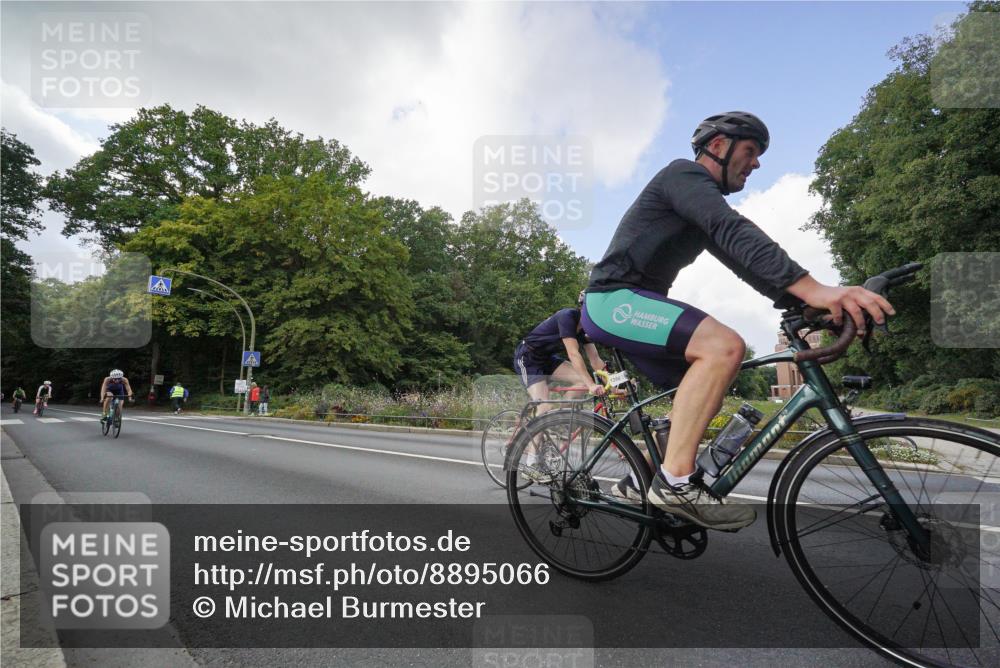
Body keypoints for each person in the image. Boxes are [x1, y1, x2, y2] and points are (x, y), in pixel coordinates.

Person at [582, 111, 893, 530]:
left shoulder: (701, 207)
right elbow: (731, 228)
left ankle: (640, 482)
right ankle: (674, 483)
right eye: (751, 151)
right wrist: (815, 288)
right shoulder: (683, 177)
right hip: (612, 301)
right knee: (724, 346)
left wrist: (804, 306)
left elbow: (746, 264)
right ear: (717, 146)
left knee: (701, 387)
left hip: (638, 305)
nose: (757, 163)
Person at [514, 294, 609, 479]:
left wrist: (611, 383)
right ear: (583, 309)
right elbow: (574, 354)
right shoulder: (567, 316)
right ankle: (531, 464)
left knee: (580, 382)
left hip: (548, 360)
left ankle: (557, 420)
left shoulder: (585, 331)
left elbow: (595, 360)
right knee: (544, 406)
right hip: (528, 357)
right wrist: (592, 384)